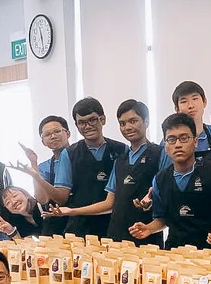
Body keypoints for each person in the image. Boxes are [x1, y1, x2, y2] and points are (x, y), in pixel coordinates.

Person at [52, 100, 170, 245]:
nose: (128, 127)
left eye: (133, 121)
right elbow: (110, 202)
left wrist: (152, 202)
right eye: (122, 123)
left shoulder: (160, 154)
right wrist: (71, 211)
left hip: (146, 235)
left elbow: (168, 198)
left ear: (146, 121)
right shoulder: (121, 158)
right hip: (115, 235)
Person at [129, 113, 211, 250]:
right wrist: (148, 228)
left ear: (195, 141)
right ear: (165, 145)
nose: (178, 145)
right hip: (174, 253)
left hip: (210, 253)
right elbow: (162, 219)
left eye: (184, 138)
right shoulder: (160, 179)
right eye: (171, 139)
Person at [62, 98, 128, 238]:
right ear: (76, 125)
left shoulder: (122, 150)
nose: (87, 126)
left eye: (92, 120)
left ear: (102, 119)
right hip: (79, 228)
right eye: (81, 122)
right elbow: (62, 194)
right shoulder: (69, 154)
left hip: (114, 226)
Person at [14, 116, 72, 236]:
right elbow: (41, 198)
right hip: (56, 223)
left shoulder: (80, 157)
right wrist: (34, 164)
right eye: (47, 134)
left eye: (57, 131)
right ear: (43, 142)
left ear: (68, 133)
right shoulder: (44, 167)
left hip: (81, 219)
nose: (53, 136)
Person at [172, 81, 211, 158]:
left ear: (204, 102)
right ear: (177, 109)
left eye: (195, 98)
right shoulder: (170, 140)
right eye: (184, 101)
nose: (190, 105)